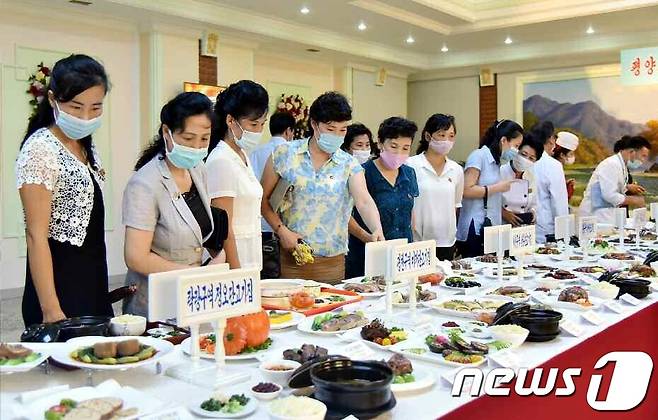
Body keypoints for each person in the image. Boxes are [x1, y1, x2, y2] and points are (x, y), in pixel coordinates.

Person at [16, 54, 113, 326]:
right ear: (52, 99)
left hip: (91, 277)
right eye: (75, 107)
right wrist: (51, 309)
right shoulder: (40, 150)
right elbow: (36, 236)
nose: (85, 117)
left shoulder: (86, 146)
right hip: (59, 288)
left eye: (95, 108)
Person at [122, 92, 230, 317]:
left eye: (204, 139)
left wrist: (215, 259)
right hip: (155, 300)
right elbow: (136, 257)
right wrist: (195, 274)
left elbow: (196, 231)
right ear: (166, 133)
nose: (196, 147)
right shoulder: (145, 183)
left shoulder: (197, 169)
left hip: (193, 296)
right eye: (188, 139)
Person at [261, 91, 385, 283]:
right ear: (314, 124)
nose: (337, 135)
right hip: (292, 258)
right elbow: (263, 200)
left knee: (332, 310)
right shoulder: (285, 154)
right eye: (330, 129)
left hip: (332, 262)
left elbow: (364, 200)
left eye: (343, 130)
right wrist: (281, 230)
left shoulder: (348, 164)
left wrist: (376, 229)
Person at [345, 117, 419, 278]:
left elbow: (410, 211)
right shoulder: (361, 172)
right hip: (366, 253)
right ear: (379, 143)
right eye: (394, 146)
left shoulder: (409, 173)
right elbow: (345, 215)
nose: (399, 153)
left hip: (402, 254)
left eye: (406, 148)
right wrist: (369, 238)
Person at [207, 80, 269, 270]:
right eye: (253, 124)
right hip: (234, 264)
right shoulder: (221, 160)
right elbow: (224, 229)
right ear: (230, 120)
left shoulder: (241, 155)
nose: (258, 131)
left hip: (250, 258)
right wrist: (236, 272)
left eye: (262, 124)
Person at [456, 119, 523, 257]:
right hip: (475, 227)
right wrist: (497, 188)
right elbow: (466, 190)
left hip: (491, 227)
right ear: (504, 140)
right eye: (516, 146)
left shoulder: (496, 161)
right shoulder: (479, 156)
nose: (516, 151)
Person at [407, 114, 464, 261]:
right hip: (418, 241)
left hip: (447, 242)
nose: (447, 141)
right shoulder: (410, 165)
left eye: (451, 136)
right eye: (441, 135)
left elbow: (456, 205)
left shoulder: (456, 169)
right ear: (428, 136)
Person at [249, 111, 296, 279]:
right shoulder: (291, 152)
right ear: (289, 131)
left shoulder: (256, 151)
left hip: (260, 221)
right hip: (283, 224)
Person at [579, 136, 651, 224]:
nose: (643, 160)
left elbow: (614, 185)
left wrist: (627, 187)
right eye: (643, 156)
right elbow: (609, 195)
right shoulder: (611, 164)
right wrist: (634, 200)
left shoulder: (622, 166)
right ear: (632, 151)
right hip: (594, 216)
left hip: (605, 215)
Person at [533, 121, 570, 243]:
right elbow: (559, 204)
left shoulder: (525, 159)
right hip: (546, 231)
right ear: (550, 140)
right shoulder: (553, 165)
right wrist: (564, 236)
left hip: (526, 229)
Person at [500, 133, 543, 227]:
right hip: (501, 225)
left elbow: (535, 204)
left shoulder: (531, 177)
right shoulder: (500, 172)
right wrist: (503, 213)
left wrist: (532, 214)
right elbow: (487, 203)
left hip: (522, 229)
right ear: (516, 151)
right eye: (523, 154)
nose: (526, 160)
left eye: (531, 158)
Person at [552, 131, 579, 201]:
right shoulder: (555, 170)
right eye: (571, 154)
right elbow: (558, 199)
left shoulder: (555, 167)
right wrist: (568, 191)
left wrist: (565, 185)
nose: (573, 157)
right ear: (562, 155)